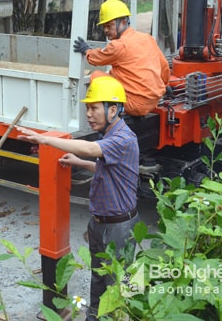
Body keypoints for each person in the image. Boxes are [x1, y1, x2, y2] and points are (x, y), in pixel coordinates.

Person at [16, 74, 140, 320]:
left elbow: (91, 149)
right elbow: (107, 167)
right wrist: (80, 163)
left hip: (120, 226)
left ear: (113, 110)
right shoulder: (112, 137)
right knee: (98, 276)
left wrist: (43, 139)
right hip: (101, 222)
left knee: (119, 283)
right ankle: (94, 316)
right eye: (87, 108)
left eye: (94, 108)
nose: (89, 114)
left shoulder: (124, 139)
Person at [73, 0, 170, 117]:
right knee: (115, 72)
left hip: (134, 105)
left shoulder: (118, 45)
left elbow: (96, 59)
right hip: (153, 101)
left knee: (96, 75)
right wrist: (165, 85)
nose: (106, 30)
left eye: (109, 25)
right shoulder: (147, 38)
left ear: (123, 23)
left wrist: (86, 50)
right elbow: (164, 67)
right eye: (104, 26)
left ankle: (114, 111)